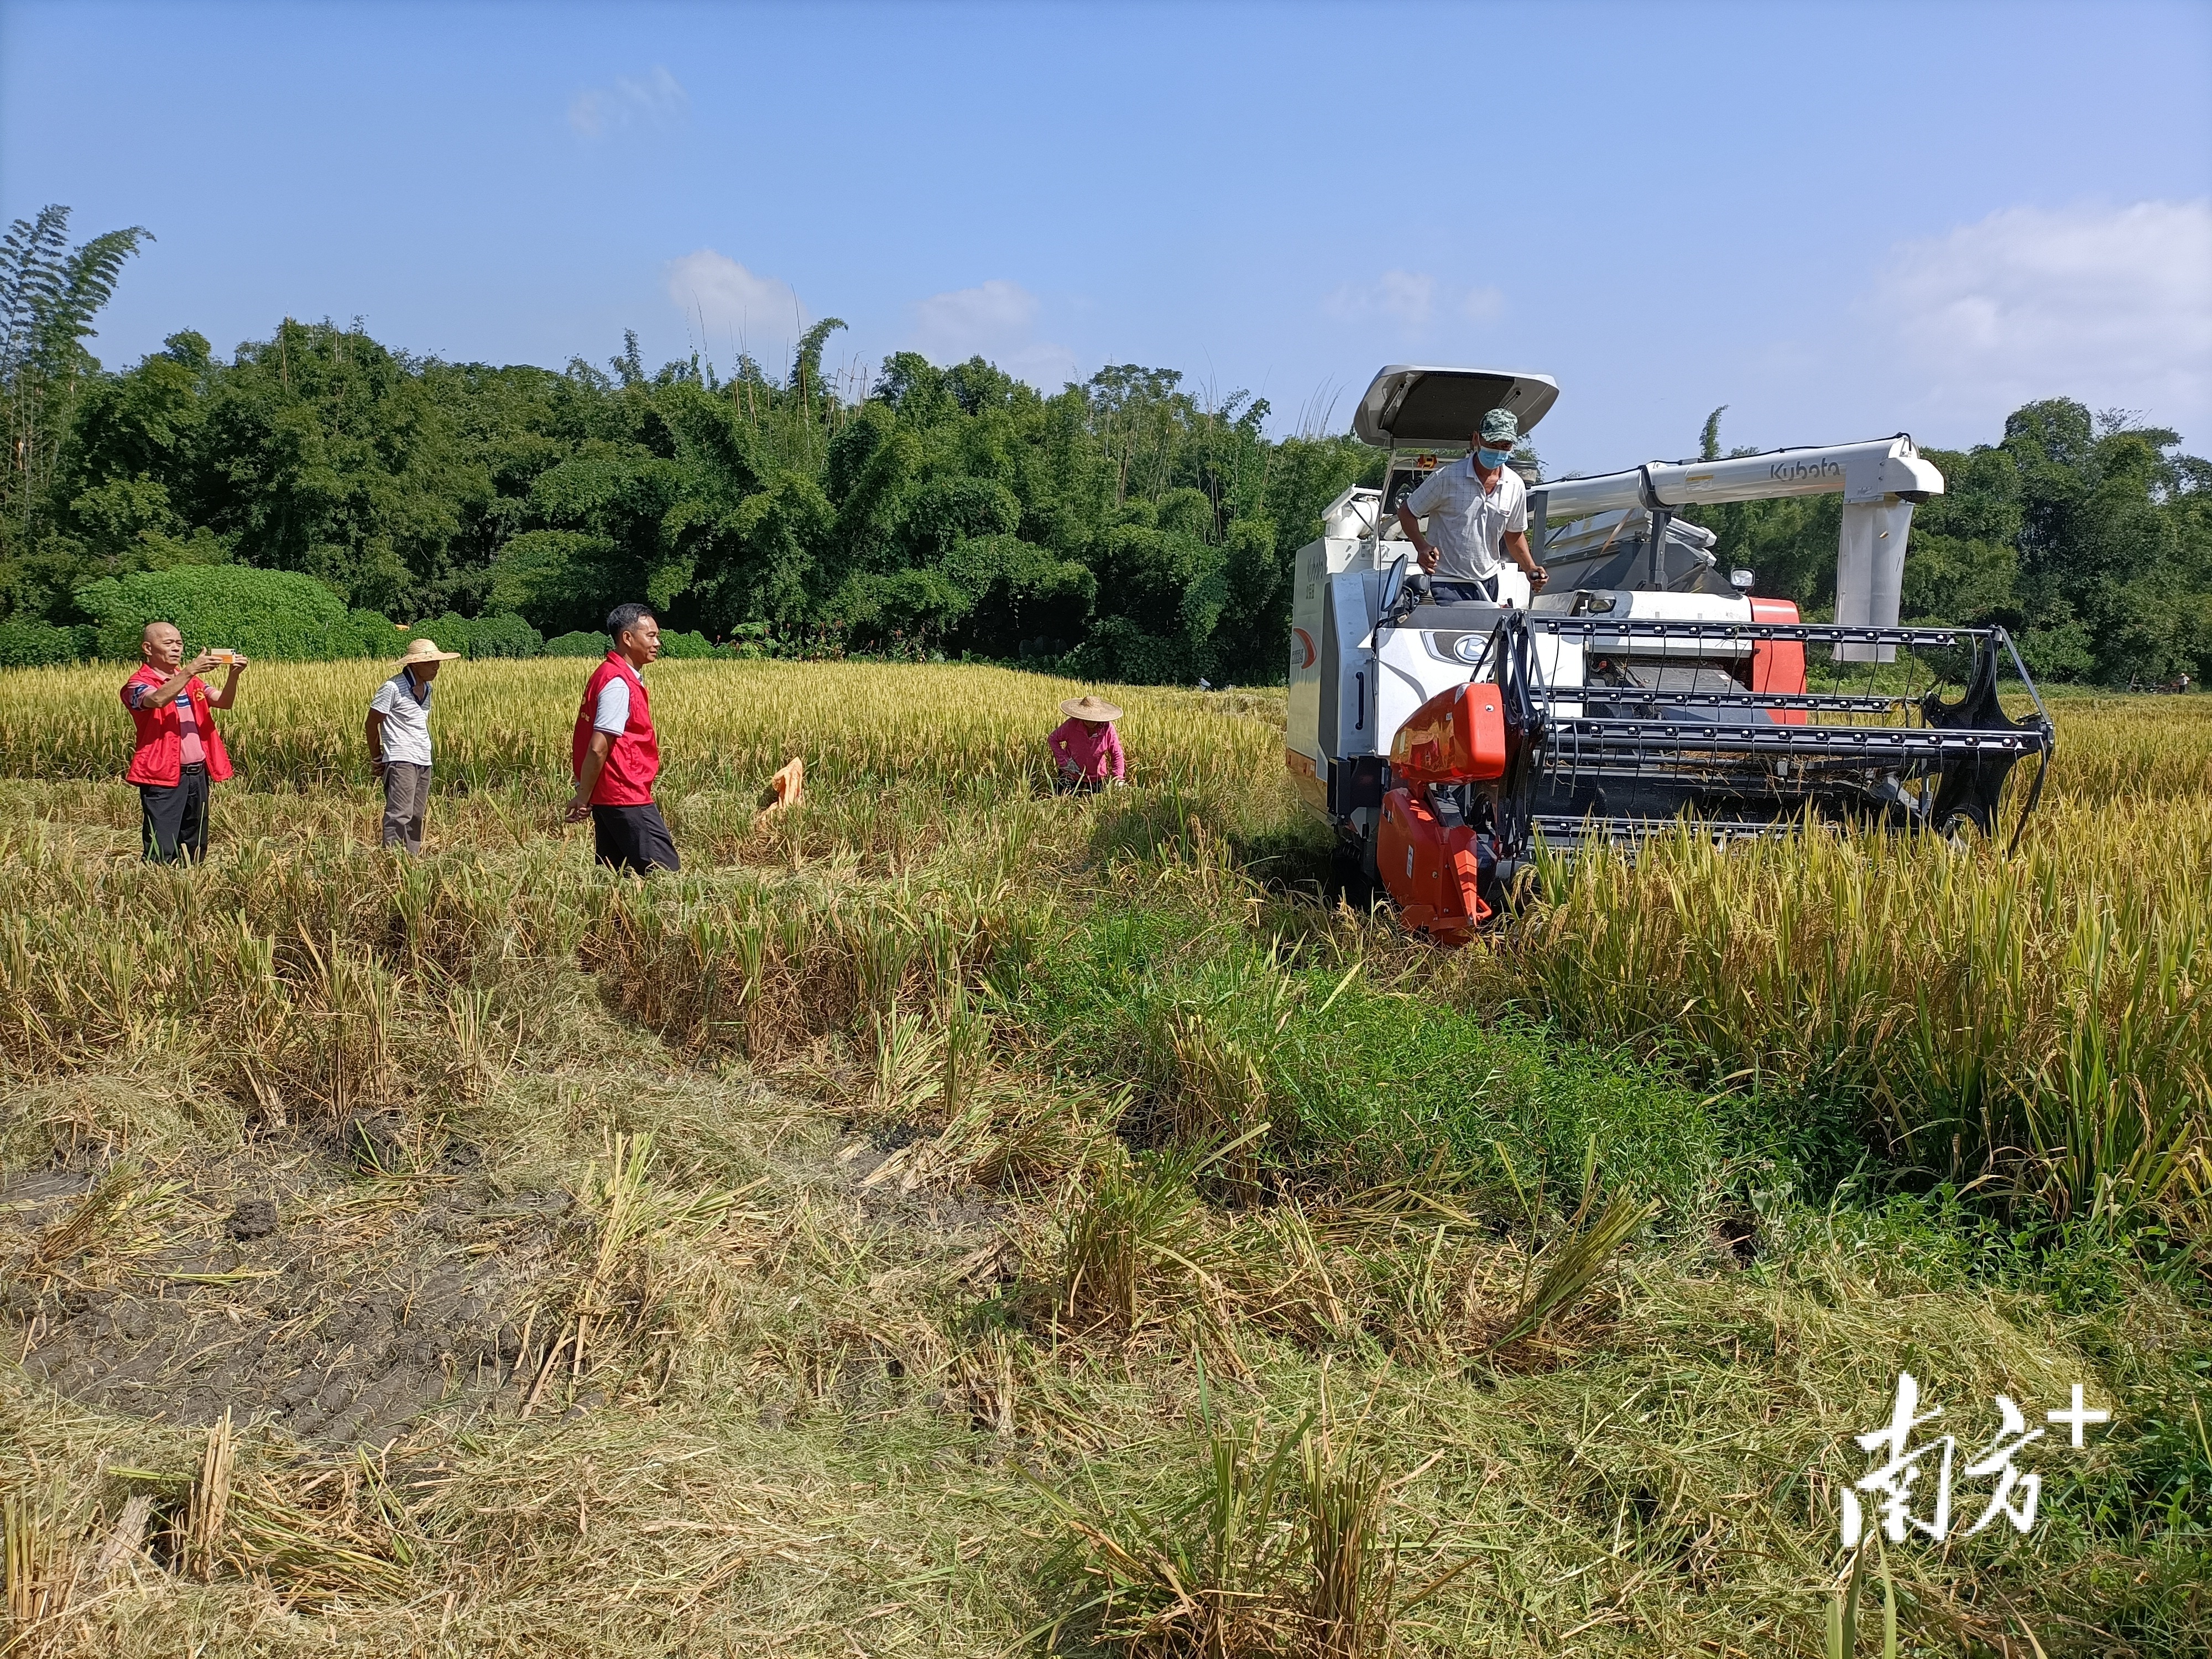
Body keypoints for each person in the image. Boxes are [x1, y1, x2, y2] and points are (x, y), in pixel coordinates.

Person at [566, 602, 680, 874]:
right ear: (627, 639)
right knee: (664, 873)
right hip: (625, 794)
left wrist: (588, 793)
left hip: (609, 796)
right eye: (650, 636)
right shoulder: (618, 683)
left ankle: (615, 918)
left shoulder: (606, 674)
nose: (658, 643)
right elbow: (597, 748)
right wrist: (583, 797)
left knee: (615, 874)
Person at [121, 622, 247, 862]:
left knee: (194, 841)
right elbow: (156, 700)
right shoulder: (138, 683)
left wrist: (234, 676)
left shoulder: (192, 682)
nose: (176, 648)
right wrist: (190, 671)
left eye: (179, 643)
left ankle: (191, 887)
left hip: (197, 774)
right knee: (162, 843)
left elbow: (223, 702)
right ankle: (159, 888)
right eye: (168, 643)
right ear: (148, 648)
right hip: (162, 775)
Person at [1396, 408, 1548, 603]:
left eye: (1505, 445)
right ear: (1477, 439)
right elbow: (1407, 512)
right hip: (1446, 582)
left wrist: (1530, 568)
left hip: (1488, 584)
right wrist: (1422, 546)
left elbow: (1514, 535)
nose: (1497, 450)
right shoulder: (1447, 477)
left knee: (1482, 635)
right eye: (1492, 443)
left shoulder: (1515, 485)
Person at [365, 637, 461, 855]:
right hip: (401, 759)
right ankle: (392, 866)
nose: (437, 666)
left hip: (423, 759)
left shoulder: (427, 689)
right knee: (399, 814)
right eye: (431, 662)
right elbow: (372, 723)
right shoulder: (392, 688)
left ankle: (411, 863)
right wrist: (377, 757)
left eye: (438, 662)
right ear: (416, 664)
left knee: (416, 815)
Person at [1048, 694, 1125, 792]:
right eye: (1088, 719)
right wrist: (1066, 761)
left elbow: (1117, 754)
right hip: (1070, 776)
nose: (1091, 722)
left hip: (1096, 779)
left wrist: (1118, 778)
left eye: (1094, 720)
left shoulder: (1108, 729)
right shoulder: (1072, 725)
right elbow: (1053, 739)